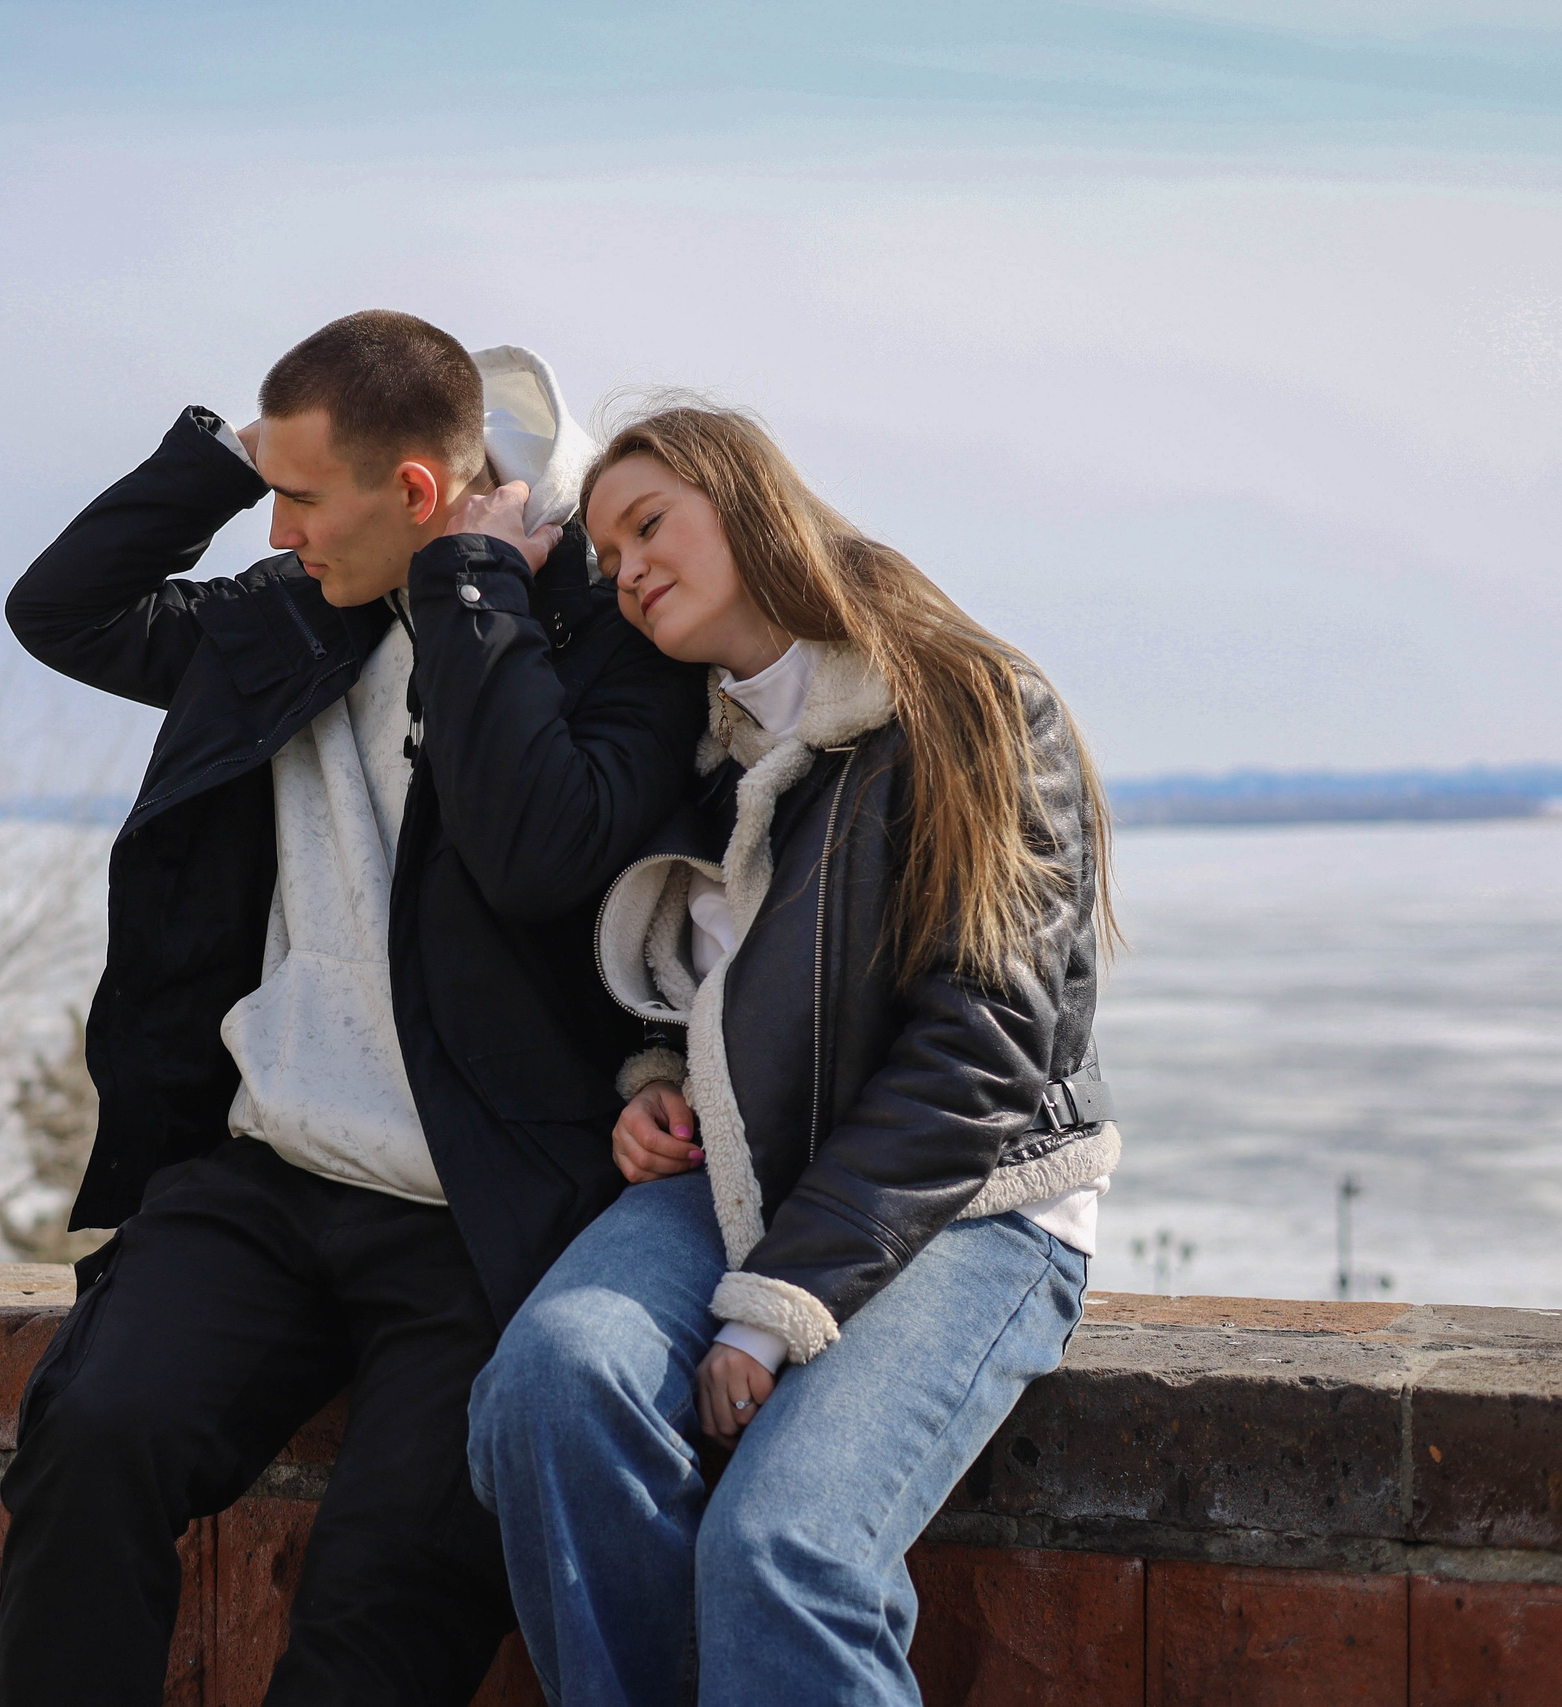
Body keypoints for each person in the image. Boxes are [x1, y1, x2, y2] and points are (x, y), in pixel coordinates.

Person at [0, 312, 708, 1706]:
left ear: (421, 493)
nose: (277, 532)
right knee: (92, 1437)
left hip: (484, 1221)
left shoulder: (603, 639)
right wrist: (234, 451)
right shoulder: (287, 619)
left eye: (303, 498)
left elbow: (539, 851)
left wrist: (473, 595)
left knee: (379, 1613)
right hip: (266, 1178)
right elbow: (62, 610)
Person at [466, 404, 1121, 1705]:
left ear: (751, 503)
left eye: (650, 523)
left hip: (974, 1201)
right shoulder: (703, 747)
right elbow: (711, 993)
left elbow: (985, 1052)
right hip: (740, 1179)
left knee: (782, 1549)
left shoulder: (969, 704)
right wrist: (657, 1087)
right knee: (549, 1384)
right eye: (608, 553)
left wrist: (776, 1306)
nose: (629, 568)